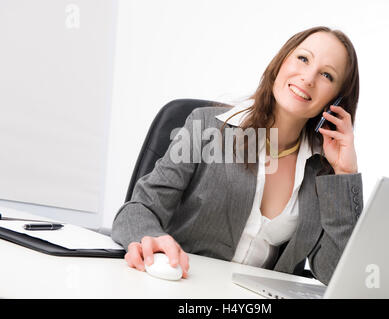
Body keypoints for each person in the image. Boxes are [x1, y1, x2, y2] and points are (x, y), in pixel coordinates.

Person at [111, 26, 363, 285]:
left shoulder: (322, 170)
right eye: (303, 58)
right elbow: (137, 211)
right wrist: (150, 237)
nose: (308, 78)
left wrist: (345, 175)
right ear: (281, 61)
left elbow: (337, 274)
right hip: (182, 289)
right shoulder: (206, 128)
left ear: (337, 100)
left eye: (326, 75)